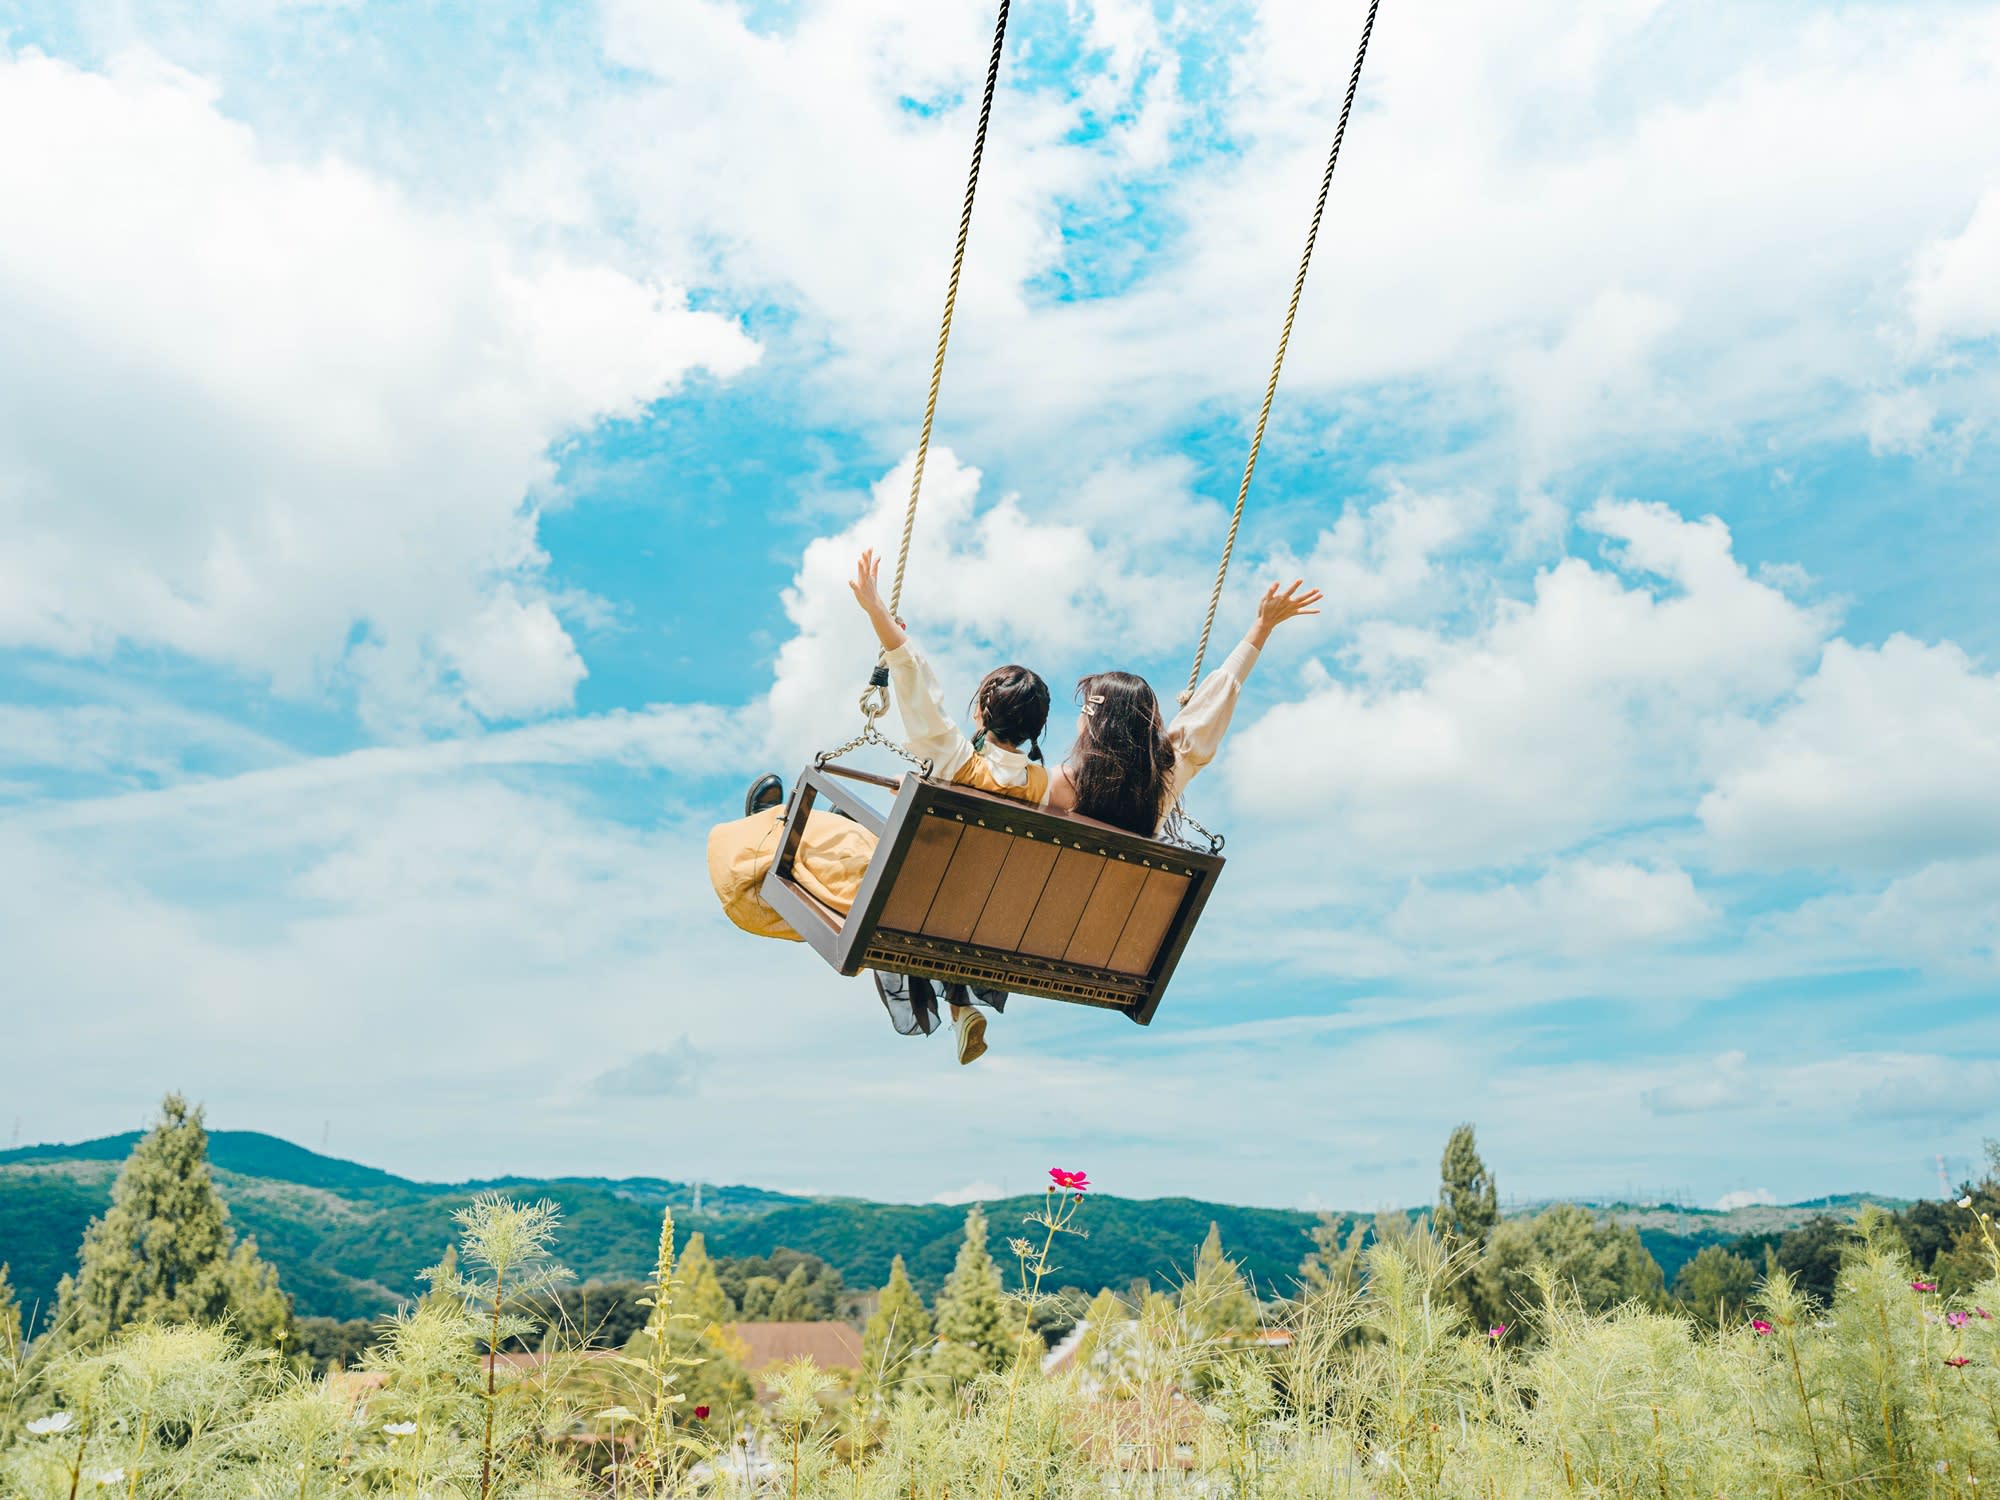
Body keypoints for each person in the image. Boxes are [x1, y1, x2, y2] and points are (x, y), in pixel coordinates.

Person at [706, 550, 1050, 1065]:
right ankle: (962, 1008)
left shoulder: (957, 759)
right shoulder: (1044, 788)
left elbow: (917, 684)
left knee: (836, 823)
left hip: (915, 897)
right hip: (975, 914)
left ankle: (766, 824)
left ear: (982, 711)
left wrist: (877, 614)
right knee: (944, 868)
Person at [1045, 578, 1323, 836]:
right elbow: (1218, 696)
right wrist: (1262, 626)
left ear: (1095, 719)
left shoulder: (1062, 784)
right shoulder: (1165, 780)